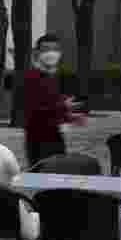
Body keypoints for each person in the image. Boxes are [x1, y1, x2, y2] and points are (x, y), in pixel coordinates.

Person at [22, 34, 85, 168]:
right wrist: (63, 106)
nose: (51, 53)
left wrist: (69, 116)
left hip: (54, 136)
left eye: (55, 49)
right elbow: (34, 109)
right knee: (44, 174)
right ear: (37, 53)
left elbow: (50, 106)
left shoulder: (52, 76)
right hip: (38, 138)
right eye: (46, 49)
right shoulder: (31, 76)